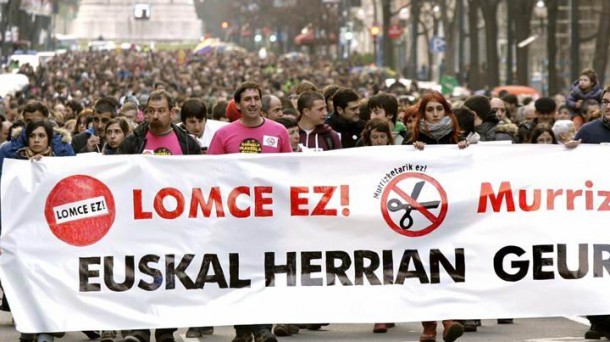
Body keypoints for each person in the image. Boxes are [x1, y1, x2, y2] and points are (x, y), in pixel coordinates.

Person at [208, 81, 291, 342]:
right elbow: (209, 172)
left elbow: (290, 169)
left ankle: (262, 327)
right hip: (235, 221)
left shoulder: (278, 132)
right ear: (238, 105)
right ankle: (243, 329)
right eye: (247, 99)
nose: (253, 103)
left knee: (265, 274)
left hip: (269, 219)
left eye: (256, 98)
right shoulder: (223, 135)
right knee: (238, 275)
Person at [118, 90, 200, 342]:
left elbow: (201, 180)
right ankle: (139, 329)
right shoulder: (133, 141)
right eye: (151, 111)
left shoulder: (187, 143)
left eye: (161, 110)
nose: (155, 116)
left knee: (171, 275)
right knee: (139, 274)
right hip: (140, 222)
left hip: (175, 224)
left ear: (172, 112)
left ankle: (166, 329)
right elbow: (114, 174)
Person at [401, 91, 466, 342]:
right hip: (421, 218)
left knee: (448, 268)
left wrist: (464, 152)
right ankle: (429, 326)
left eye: (440, 109)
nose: (436, 114)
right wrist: (412, 152)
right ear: (422, 113)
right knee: (423, 270)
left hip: (451, 218)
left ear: (447, 112)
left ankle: (449, 320)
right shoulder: (411, 142)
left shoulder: (459, 140)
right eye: (430, 110)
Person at [11, 119, 74, 342]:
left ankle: (46, 330)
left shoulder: (61, 162)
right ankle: (29, 329)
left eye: (41, 136)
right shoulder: (14, 162)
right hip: (24, 236)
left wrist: (46, 168)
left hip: (52, 236)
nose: (36, 140)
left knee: (48, 284)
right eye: (32, 136)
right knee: (26, 284)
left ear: (49, 138)